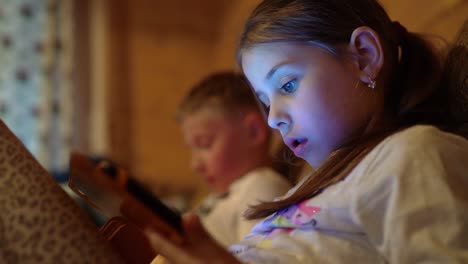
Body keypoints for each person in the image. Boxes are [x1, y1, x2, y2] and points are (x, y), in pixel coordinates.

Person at [142, 0, 468, 263]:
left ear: (364, 57)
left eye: (287, 84)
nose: (273, 119)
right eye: (266, 102)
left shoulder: (415, 154)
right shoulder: (311, 188)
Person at [175, 71, 292, 247]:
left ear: (253, 131)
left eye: (205, 144)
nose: (195, 165)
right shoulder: (223, 196)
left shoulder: (261, 187)